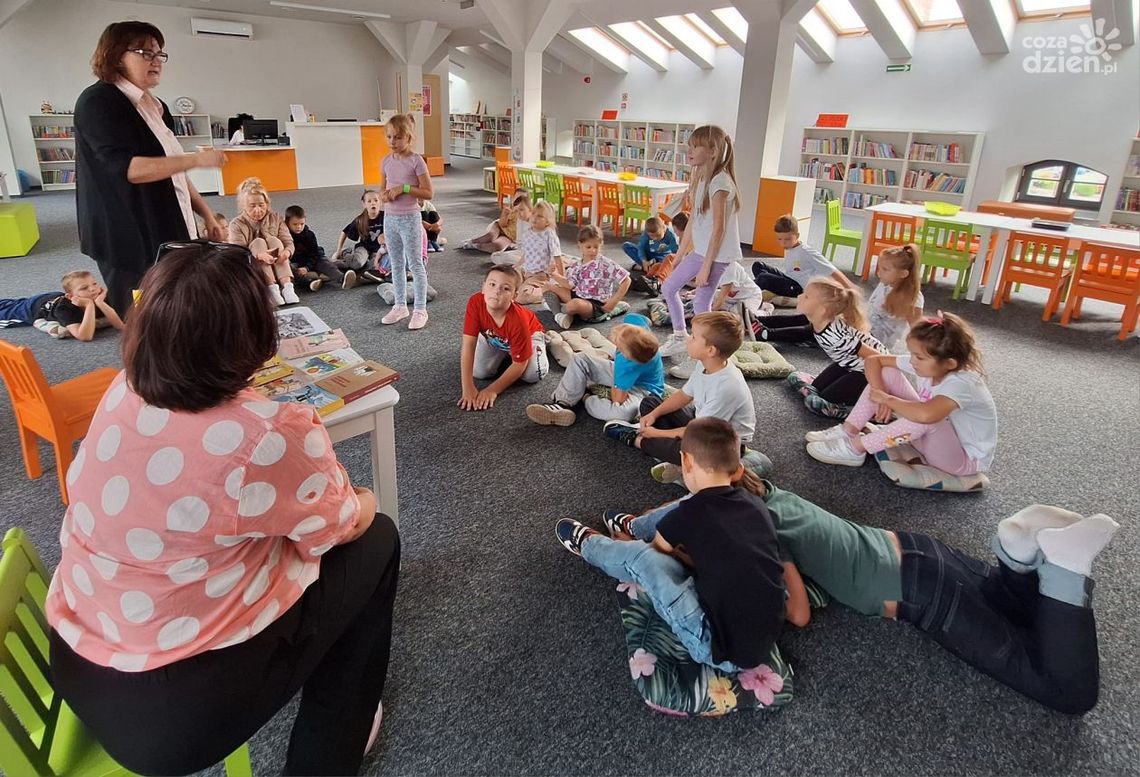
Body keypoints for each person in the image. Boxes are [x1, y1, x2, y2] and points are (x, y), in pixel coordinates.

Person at [45, 242, 400, 776]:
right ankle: (332, 746)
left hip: (76, 660)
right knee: (379, 542)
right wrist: (366, 503)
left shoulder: (122, 390)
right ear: (255, 333)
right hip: (174, 715)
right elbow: (342, 526)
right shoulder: (267, 433)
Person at [610, 475, 1116, 715]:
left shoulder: (766, 537)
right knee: (1013, 612)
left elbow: (800, 613)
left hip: (915, 593)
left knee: (1067, 694)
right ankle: (1018, 550)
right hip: (917, 551)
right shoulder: (773, 497)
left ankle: (1068, 565)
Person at [554, 418, 789, 672]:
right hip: (762, 636)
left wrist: (646, 545)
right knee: (694, 500)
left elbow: (659, 552)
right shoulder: (754, 504)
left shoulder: (689, 514)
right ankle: (636, 527)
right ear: (739, 470)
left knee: (643, 559)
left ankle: (590, 545)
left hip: (717, 647)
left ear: (685, 462)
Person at [75, 21, 227, 316]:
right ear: (116, 55)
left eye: (160, 54)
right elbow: (129, 169)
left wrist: (206, 214)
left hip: (166, 223)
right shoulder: (98, 101)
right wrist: (195, 159)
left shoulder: (156, 106)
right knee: (143, 315)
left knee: (179, 304)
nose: (156, 61)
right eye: (145, 52)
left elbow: (171, 170)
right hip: (126, 233)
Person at [805, 312, 997, 474]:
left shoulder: (963, 384)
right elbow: (874, 361)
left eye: (919, 357)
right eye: (912, 354)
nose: (913, 361)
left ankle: (855, 449)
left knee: (924, 416)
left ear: (950, 363)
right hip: (932, 436)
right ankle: (848, 431)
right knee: (887, 372)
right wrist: (880, 393)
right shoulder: (930, 365)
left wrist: (887, 399)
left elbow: (926, 414)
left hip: (962, 460)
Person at [604, 311, 755, 470]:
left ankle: (638, 441)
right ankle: (676, 455)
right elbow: (684, 395)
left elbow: (699, 433)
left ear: (710, 350)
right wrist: (654, 414)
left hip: (722, 443)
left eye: (694, 337)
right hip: (701, 422)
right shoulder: (704, 364)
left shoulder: (726, 387)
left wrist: (656, 433)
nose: (688, 339)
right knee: (650, 403)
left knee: (681, 449)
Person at [659, 126, 745, 359]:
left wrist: (706, 267)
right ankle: (680, 337)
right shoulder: (700, 180)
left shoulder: (721, 183)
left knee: (700, 304)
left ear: (713, 151)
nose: (690, 151)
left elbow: (719, 229)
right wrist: (678, 256)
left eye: (696, 146)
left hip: (717, 256)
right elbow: (693, 222)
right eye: (690, 146)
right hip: (702, 252)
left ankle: (704, 355)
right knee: (668, 287)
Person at [526, 312, 665, 426]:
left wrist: (617, 386)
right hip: (622, 371)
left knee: (622, 413)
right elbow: (642, 319)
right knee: (580, 359)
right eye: (621, 329)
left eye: (618, 342)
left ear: (626, 354)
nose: (614, 332)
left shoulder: (627, 365)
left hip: (644, 391)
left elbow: (618, 398)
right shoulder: (637, 326)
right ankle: (562, 403)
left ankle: (586, 398)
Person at [783, 277, 889, 419]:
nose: (799, 296)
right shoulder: (820, 321)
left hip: (870, 371)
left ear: (822, 310)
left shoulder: (836, 337)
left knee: (827, 398)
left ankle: (867, 409)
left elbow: (877, 357)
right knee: (817, 388)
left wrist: (881, 392)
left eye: (806, 296)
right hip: (849, 364)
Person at [459, 264, 548, 412]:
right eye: (492, 284)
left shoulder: (517, 319)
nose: (497, 291)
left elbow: (520, 364)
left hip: (531, 334)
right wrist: (467, 387)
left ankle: (540, 344)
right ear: (483, 287)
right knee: (479, 372)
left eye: (505, 288)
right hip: (496, 337)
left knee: (533, 374)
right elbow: (468, 344)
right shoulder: (475, 302)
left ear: (514, 296)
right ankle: (508, 351)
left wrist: (492, 390)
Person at [379, 114, 434, 330]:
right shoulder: (386, 161)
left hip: (410, 219)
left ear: (408, 137)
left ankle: (420, 309)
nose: (392, 142)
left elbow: (429, 192)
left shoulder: (416, 160)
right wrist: (384, 195)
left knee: (415, 264)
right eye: (389, 137)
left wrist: (404, 188)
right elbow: (381, 189)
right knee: (396, 263)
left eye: (398, 137)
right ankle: (400, 305)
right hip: (390, 218)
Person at [751, 215, 856, 310]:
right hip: (789, 280)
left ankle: (748, 293)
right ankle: (761, 289)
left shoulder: (807, 252)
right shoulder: (790, 248)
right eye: (779, 239)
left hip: (798, 289)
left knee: (763, 278)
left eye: (787, 239)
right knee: (758, 265)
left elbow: (831, 270)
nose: (783, 243)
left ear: (797, 236)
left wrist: (851, 287)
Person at [543, 225, 631, 330]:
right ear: (580, 246)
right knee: (546, 286)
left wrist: (613, 302)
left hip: (596, 304)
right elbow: (569, 285)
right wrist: (554, 274)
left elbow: (626, 280)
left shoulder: (606, 264)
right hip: (578, 295)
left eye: (596, 247)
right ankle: (559, 315)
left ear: (601, 245)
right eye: (588, 247)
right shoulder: (576, 265)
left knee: (573, 305)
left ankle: (559, 309)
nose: (593, 250)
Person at [227, 177, 297, 306]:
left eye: (261, 205)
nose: (258, 210)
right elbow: (237, 252)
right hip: (253, 265)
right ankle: (272, 288)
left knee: (273, 239)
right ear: (243, 206)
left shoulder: (276, 217)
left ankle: (287, 287)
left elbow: (289, 242)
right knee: (258, 242)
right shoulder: (236, 224)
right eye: (252, 206)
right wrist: (259, 256)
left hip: (278, 263)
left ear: (267, 203)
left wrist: (286, 253)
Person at [0, 271, 125, 340]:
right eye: (84, 288)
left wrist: (100, 303)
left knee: (13, 303)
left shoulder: (100, 298)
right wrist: (89, 306)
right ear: (71, 296)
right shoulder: (64, 309)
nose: (93, 289)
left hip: (52, 296)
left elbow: (120, 326)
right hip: (34, 309)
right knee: (7, 312)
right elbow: (85, 336)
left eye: (95, 283)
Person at [285, 205, 356, 292]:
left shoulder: (309, 235)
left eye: (302, 224)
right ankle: (314, 280)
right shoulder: (285, 236)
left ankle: (342, 278)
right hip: (296, 264)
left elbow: (314, 254)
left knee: (326, 264)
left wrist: (307, 267)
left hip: (312, 260)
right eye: (295, 224)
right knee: (292, 271)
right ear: (287, 223)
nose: (299, 227)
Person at [868, 244, 924, 352]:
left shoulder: (913, 298)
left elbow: (916, 328)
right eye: (879, 267)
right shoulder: (885, 284)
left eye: (885, 269)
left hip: (878, 344)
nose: (879, 272)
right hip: (866, 331)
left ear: (903, 274)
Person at [514, 201, 565, 305]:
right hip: (526, 271)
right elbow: (526, 254)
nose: (534, 218)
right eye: (533, 214)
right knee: (506, 279)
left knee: (521, 298)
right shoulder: (528, 233)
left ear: (547, 222)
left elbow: (558, 258)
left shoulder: (549, 234)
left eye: (539, 216)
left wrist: (563, 281)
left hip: (540, 274)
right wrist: (516, 266)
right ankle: (525, 287)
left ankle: (550, 292)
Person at [333, 190, 386, 284]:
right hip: (364, 247)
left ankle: (362, 273)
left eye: (376, 200)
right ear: (364, 204)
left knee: (374, 266)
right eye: (369, 201)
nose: (373, 203)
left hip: (378, 250)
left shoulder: (386, 216)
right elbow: (344, 232)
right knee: (357, 264)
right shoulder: (360, 220)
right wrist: (339, 249)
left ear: (381, 202)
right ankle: (346, 253)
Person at [460, 189, 530, 253]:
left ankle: (477, 246)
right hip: (500, 227)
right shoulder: (511, 210)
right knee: (491, 235)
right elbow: (502, 224)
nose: (518, 203)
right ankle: (472, 241)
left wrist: (515, 243)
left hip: (509, 237)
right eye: (516, 199)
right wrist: (505, 214)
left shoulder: (529, 216)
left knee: (498, 246)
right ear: (512, 199)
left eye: (521, 200)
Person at [645, 212, 687, 284]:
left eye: (675, 230)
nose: (674, 232)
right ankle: (646, 281)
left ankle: (659, 282)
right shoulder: (681, 238)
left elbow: (685, 257)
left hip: (687, 266)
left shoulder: (691, 240)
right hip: (680, 264)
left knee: (670, 257)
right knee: (657, 266)